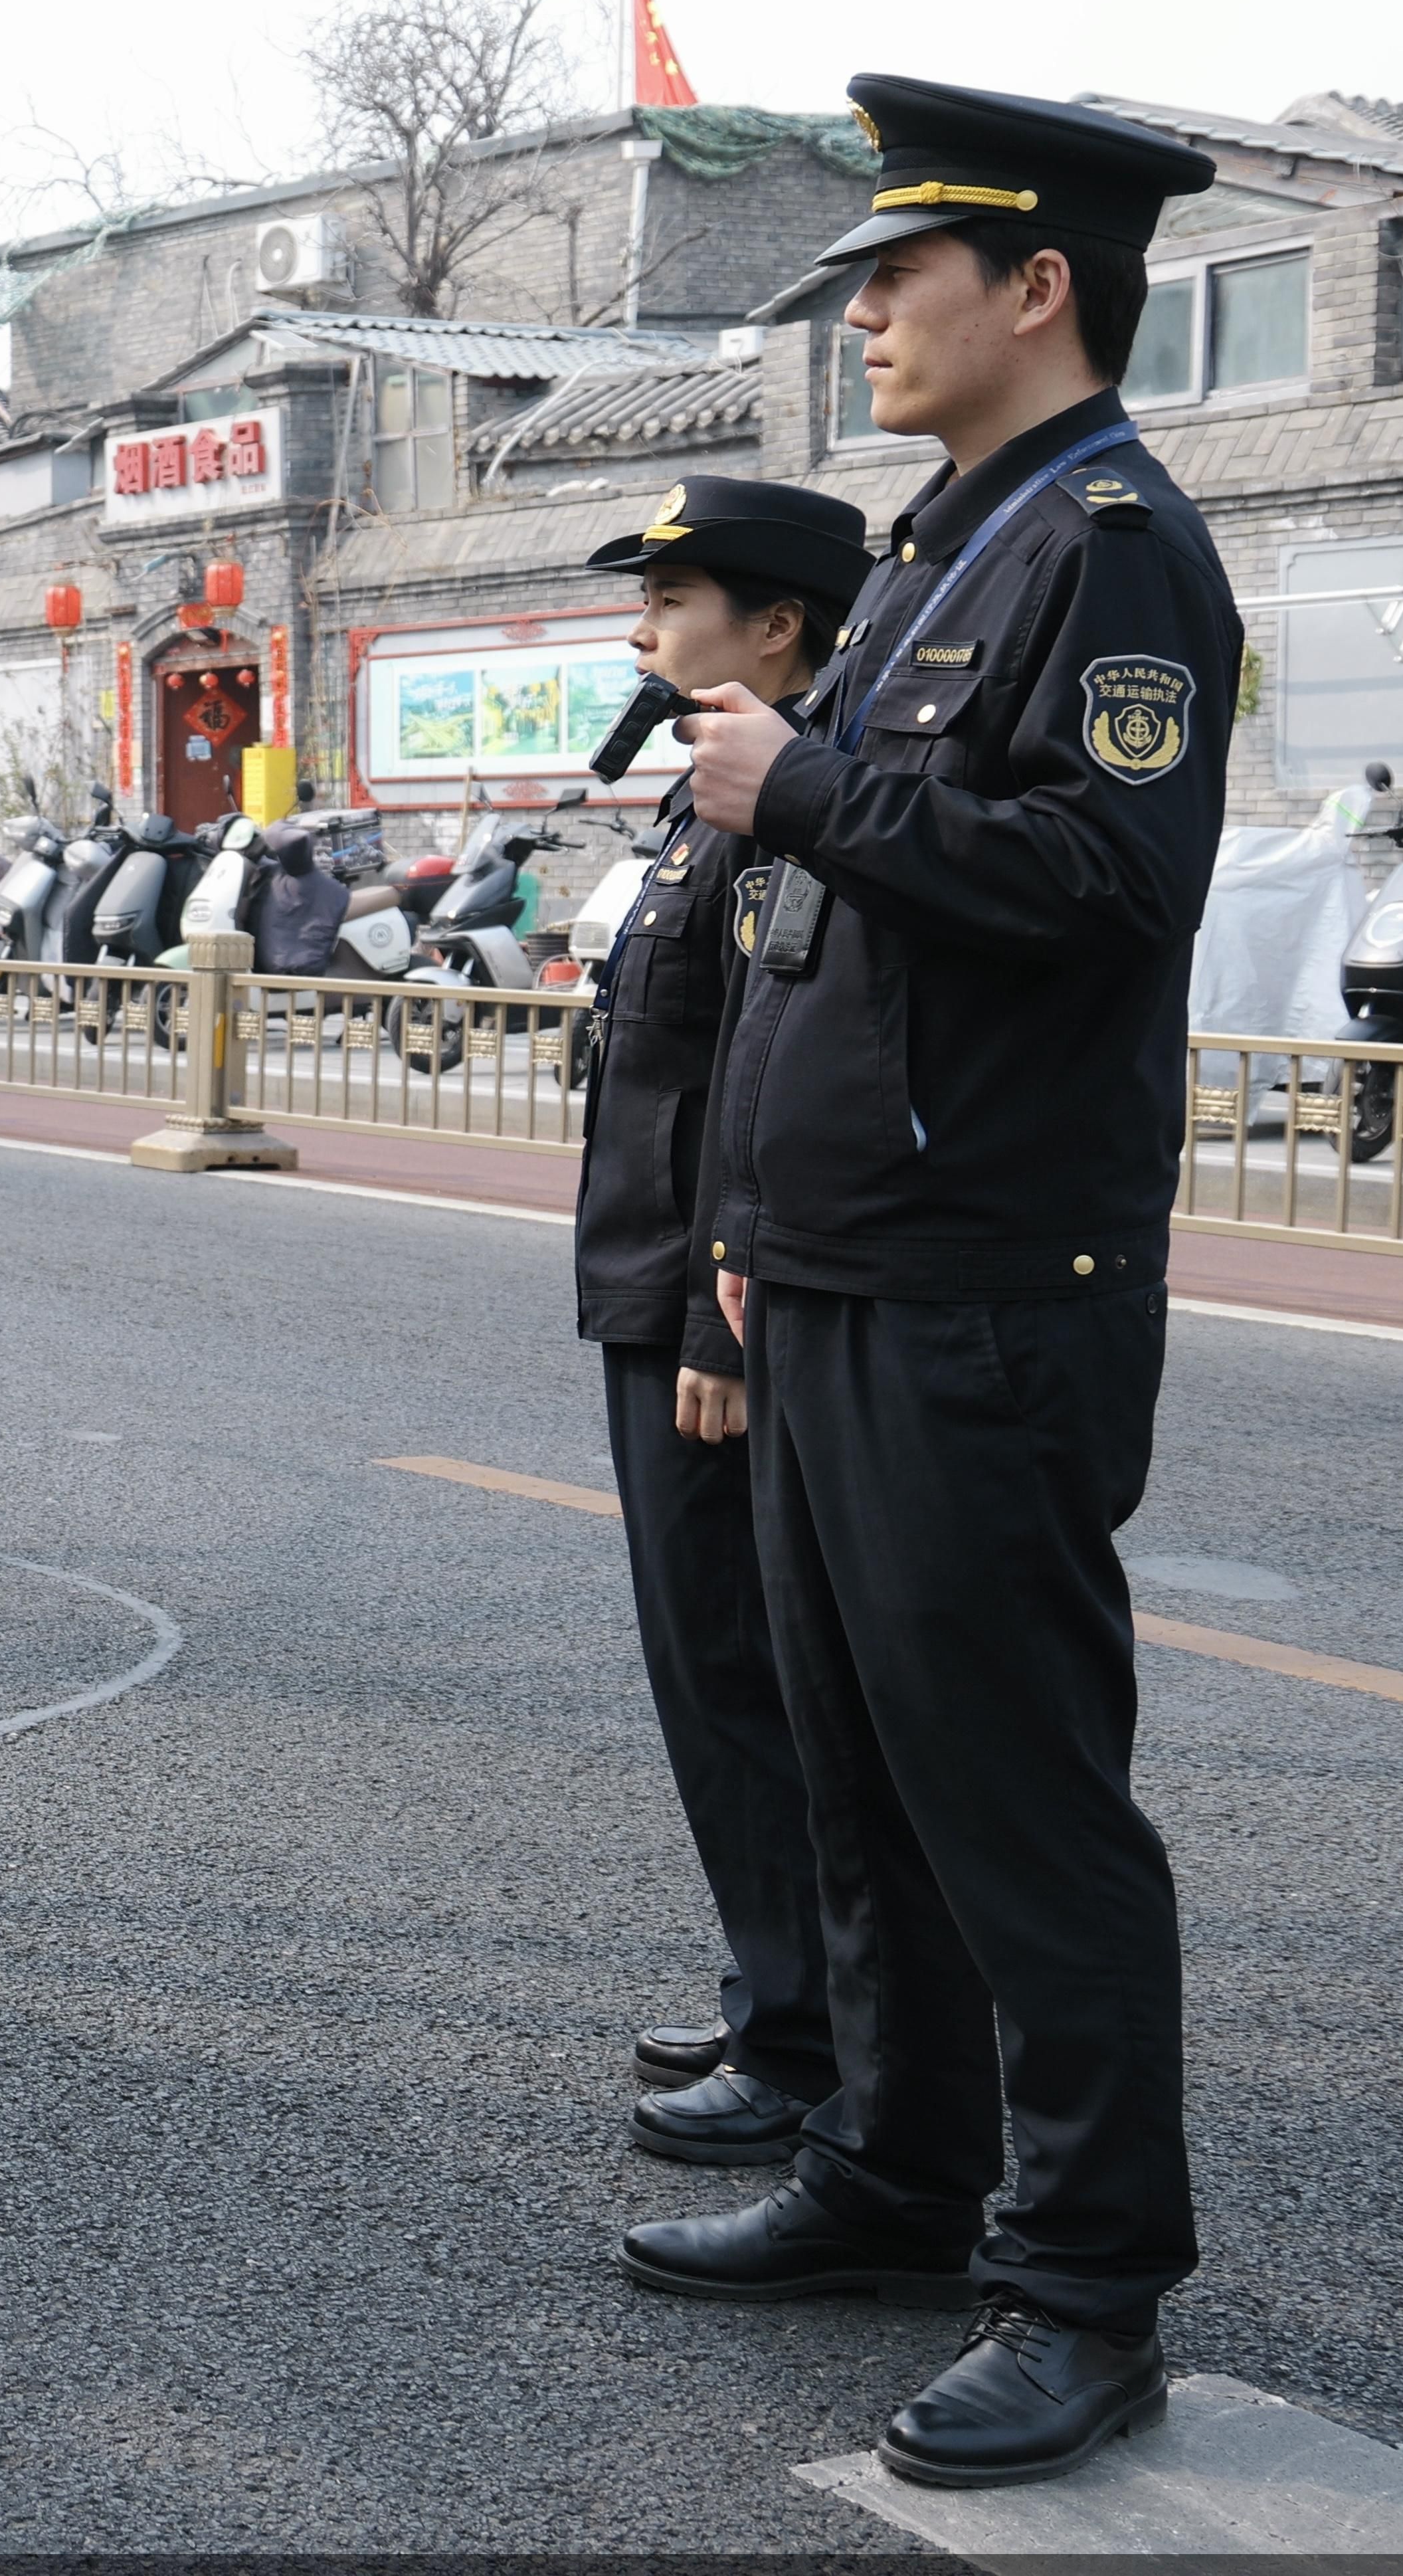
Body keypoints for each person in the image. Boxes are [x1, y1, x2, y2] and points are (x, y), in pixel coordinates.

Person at [643, 77, 1232, 2491]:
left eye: (899, 273)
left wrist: (798, 784)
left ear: (1039, 287)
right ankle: (895, 2165)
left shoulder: (1113, 551)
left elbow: (1103, 880)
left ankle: (1085, 2283)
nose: (863, 311)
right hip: (842, 1264)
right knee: (860, 1762)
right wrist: (749, 1236)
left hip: (988, 1277)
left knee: (1013, 1792)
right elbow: (817, 940)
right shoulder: (936, 547)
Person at [563, 478, 868, 2181]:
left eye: (671, 600)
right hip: (653, 1285)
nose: (642, 629)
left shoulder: (787, 802)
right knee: (708, 1671)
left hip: (710, 1309)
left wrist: (719, 1324)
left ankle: (810, 2039)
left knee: (742, 1673)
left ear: (777, 626)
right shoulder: (712, 795)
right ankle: (779, 1993)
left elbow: (764, 1092)